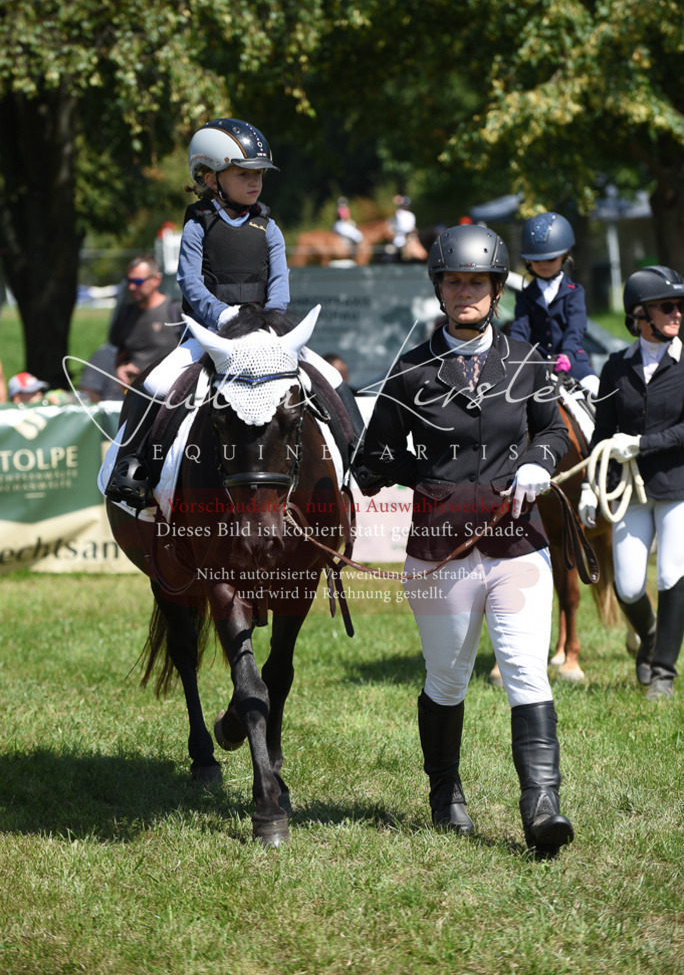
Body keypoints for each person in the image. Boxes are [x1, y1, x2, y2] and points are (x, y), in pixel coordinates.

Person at [363, 224, 574, 855]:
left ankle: (542, 808)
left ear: (496, 289)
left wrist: (539, 459)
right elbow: (373, 460)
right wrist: (415, 472)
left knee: (524, 671)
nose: (464, 292)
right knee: (447, 678)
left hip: (517, 545)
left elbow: (555, 434)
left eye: (475, 283)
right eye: (454, 281)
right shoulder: (410, 372)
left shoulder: (529, 360)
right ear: (439, 288)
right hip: (440, 550)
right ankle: (444, 792)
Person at [105, 118, 370, 508]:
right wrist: (221, 316)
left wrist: (272, 322)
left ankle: (362, 457)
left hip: (267, 333)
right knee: (159, 384)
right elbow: (189, 281)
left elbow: (279, 282)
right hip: (211, 331)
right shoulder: (198, 224)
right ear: (211, 178)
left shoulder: (270, 227)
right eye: (243, 173)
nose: (255, 182)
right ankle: (134, 469)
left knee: (329, 377)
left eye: (259, 174)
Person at [579, 266, 684, 700]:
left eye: (679, 306)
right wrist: (589, 482)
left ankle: (662, 669)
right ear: (640, 315)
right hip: (630, 489)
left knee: (673, 574)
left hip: (677, 484)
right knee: (626, 585)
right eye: (667, 307)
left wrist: (641, 443)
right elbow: (602, 433)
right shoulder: (616, 367)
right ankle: (653, 635)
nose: (676, 313)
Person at [509, 212, 599, 397]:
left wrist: (566, 354)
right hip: (538, 365)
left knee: (598, 391)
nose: (543, 265)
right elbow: (520, 329)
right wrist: (515, 354)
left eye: (550, 259)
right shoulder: (525, 296)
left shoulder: (575, 292)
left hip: (572, 361)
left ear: (565, 254)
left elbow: (576, 328)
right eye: (536, 260)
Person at [109, 254, 182, 389]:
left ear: (156, 280)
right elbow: (120, 354)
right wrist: (120, 370)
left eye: (138, 282)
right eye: (129, 281)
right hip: (135, 395)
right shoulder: (126, 313)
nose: (131, 287)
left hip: (170, 395)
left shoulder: (175, 311)